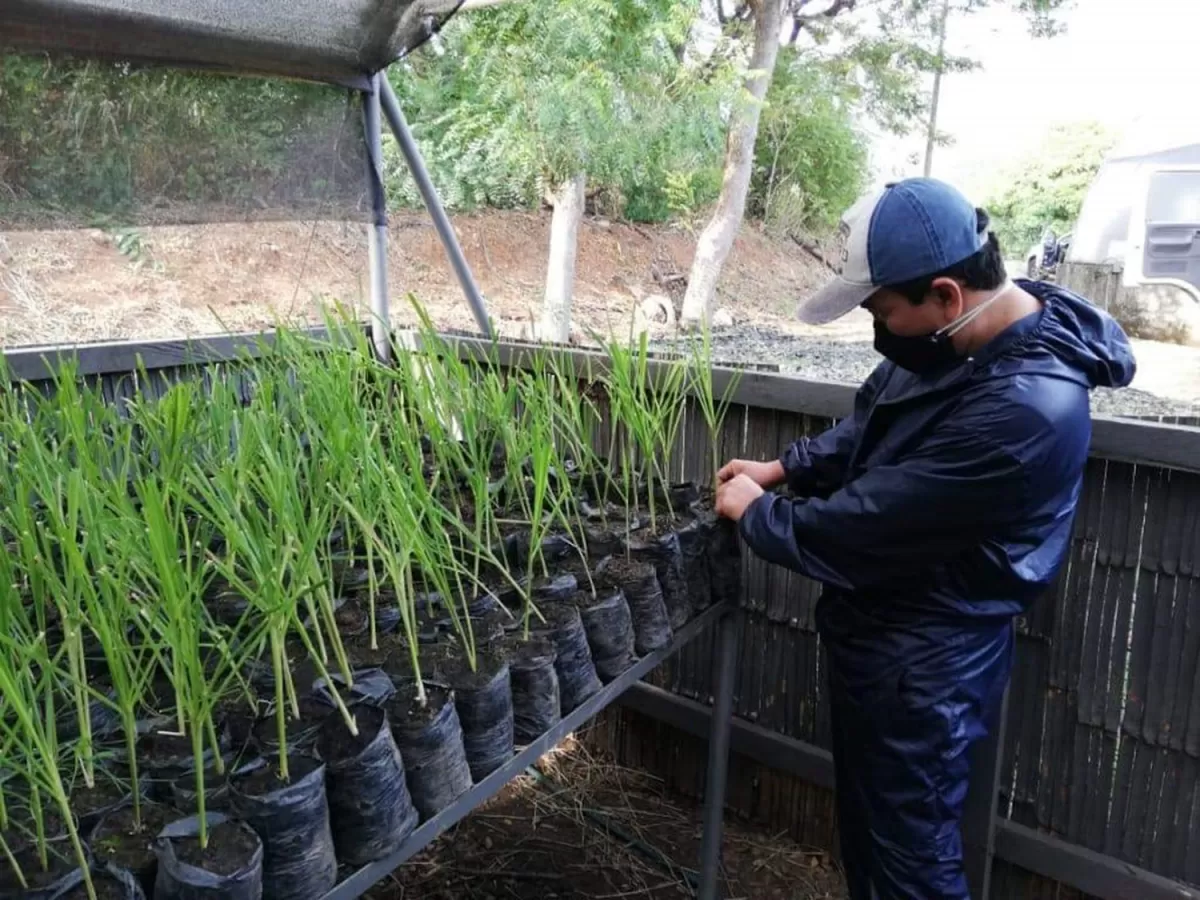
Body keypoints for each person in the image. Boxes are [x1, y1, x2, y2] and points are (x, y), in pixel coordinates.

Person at [713, 178, 1135, 900]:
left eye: (880, 309)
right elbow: (877, 423)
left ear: (946, 293)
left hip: (927, 660)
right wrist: (786, 467)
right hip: (890, 635)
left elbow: (862, 529)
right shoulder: (957, 343)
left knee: (909, 857)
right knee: (880, 838)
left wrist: (758, 512)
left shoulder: (1021, 411)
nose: (875, 325)